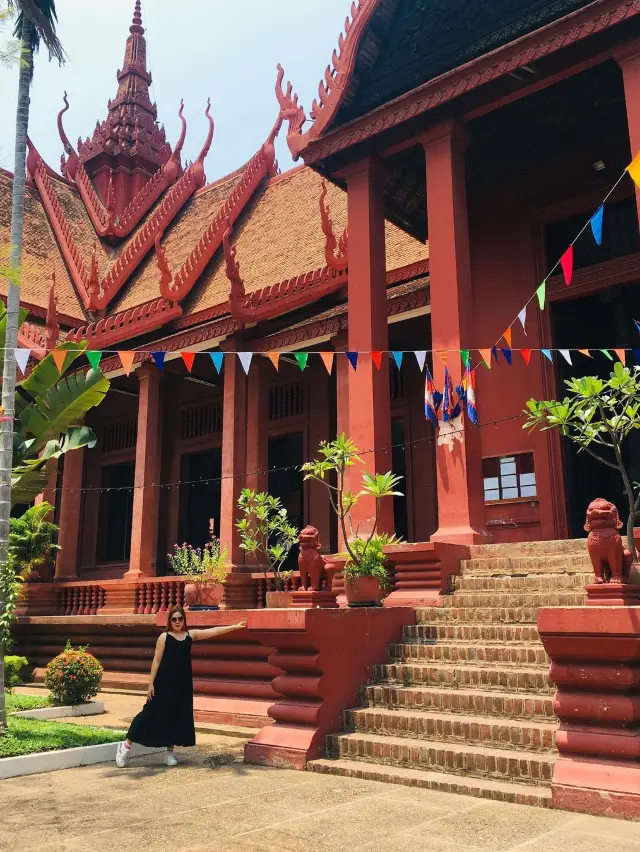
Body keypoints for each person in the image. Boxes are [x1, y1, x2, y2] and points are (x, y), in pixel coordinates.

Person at [115, 606, 247, 768]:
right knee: (148, 713)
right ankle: (125, 747)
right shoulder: (164, 637)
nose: (177, 622)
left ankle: (169, 752)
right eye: (174, 619)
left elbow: (212, 632)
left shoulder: (190, 636)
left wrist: (233, 627)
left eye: (180, 618)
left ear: (184, 620)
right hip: (163, 683)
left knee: (176, 716)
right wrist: (150, 684)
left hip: (182, 684)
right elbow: (156, 660)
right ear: (170, 621)